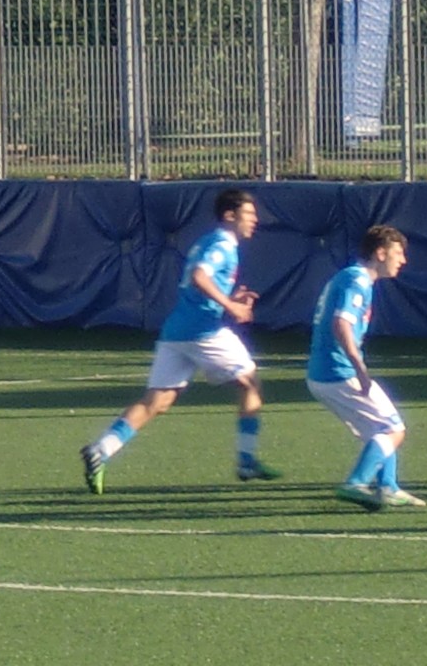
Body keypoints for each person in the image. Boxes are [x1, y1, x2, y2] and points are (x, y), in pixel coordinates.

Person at [80, 188, 281, 494]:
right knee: (251, 383)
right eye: (249, 214)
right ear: (230, 215)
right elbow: (200, 277)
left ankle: (101, 450)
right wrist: (231, 305)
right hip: (203, 332)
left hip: (177, 332)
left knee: (157, 401)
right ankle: (247, 460)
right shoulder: (222, 243)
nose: (255, 220)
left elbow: (198, 283)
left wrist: (231, 297)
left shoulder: (209, 242)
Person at [306, 224, 425, 511]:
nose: (403, 260)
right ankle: (356, 483)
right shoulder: (356, 279)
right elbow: (341, 323)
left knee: (382, 427)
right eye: (398, 253)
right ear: (380, 253)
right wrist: (358, 364)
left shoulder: (353, 278)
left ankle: (388, 487)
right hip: (338, 371)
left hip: (327, 371)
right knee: (393, 429)